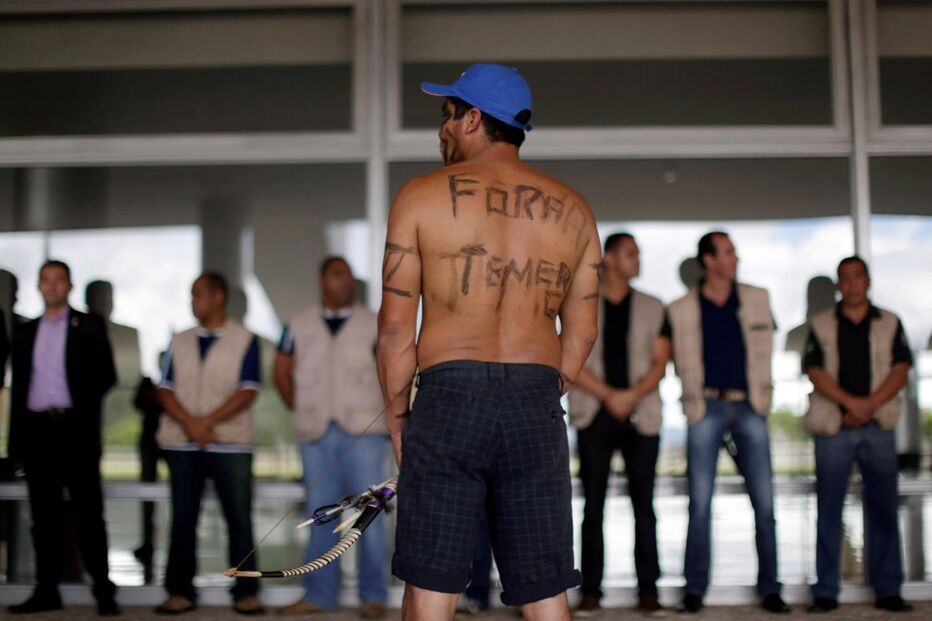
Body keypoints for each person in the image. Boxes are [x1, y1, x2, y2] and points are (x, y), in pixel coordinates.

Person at [376, 63, 601, 621]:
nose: (442, 129)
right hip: (535, 395)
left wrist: (398, 417)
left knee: (431, 581)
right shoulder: (573, 209)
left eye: (447, 115)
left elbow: (395, 328)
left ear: (473, 118)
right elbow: (583, 329)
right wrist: (546, 388)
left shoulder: (420, 197)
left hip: (450, 396)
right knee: (543, 586)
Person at [666, 232, 788, 614]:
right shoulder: (681, 308)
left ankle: (770, 589)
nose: (736, 258)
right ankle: (694, 591)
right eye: (729, 252)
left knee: (764, 503)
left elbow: (768, 344)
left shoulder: (757, 297)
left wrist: (764, 397)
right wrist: (693, 402)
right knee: (699, 503)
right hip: (705, 407)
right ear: (709, 260)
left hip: (749, 406)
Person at [274, 257, 389, 619]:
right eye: (338, 274)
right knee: (320, 516)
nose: (346, 282)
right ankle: (319, 595)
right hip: (316, 434)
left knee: (370, 517)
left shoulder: (375, 324)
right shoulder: (297, 324)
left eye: (350, 276)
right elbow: (281, 372)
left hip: (366, 435)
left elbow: (392, 371)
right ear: (321, 279)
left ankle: (374, 596)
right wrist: (303, 409)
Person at [7, 260, 120, 616]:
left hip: (77, 432)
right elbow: (19, 390)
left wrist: (82, 409)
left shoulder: (88, 324)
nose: (52, 286)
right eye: (45, 280)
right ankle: (46, 591)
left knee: (89, 514)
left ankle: (103, 591)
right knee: (44, 518)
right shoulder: (24, 332)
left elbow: (107, 375)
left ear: (70, 286)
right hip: (38, 433)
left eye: (58, 280)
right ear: (38, 287)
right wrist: (16, 446)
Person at [803, 256, 913, 613]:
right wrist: (851, 404)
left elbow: (901, 369)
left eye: (857, 277)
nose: (851, 284)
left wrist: (869, 405)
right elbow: (815, 371)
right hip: (834, 427)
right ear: (838, 285)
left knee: (883, 509)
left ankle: (888, 590)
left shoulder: (890, 322)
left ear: (868, 281)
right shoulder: (820, 324)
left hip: (878, 427)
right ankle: (826, 591)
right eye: (845, 278)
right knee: (829, 510)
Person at [569, 232, 670, 614]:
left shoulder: (653, 306)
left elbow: (661, 362)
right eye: (630, 254)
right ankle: (590, 592)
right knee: (592, 507)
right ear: (608, 258)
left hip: (641, 416)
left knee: (644, 506)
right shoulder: (581, 302)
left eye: (638, 254)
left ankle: (649, 591)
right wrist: (610, 395)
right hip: (594, 415)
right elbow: (571, 356)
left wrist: (629, 396)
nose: (638, 260)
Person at [154, 272, 264, 615]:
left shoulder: (246, 340)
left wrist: (206, 423)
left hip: (230, 445)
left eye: (197, 294)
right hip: (182, 444)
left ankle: (246, 592)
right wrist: (191, 424)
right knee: (183, 520)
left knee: (239, 521)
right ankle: (180, 592)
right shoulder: (180, 340)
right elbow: (164, 388)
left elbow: (248, 389)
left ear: (218, 297)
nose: (192, 301)